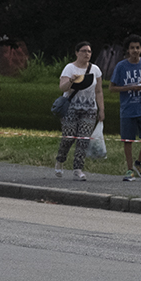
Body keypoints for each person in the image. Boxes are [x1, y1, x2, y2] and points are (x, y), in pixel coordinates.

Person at [109, 34, 141, 181]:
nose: (135, 50)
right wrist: (130, 87)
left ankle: (139, 162)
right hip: (128, 109)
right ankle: (129, 169)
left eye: (137, 48)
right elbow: (112, 88)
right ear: (128, 50)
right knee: (128, 140)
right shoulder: (121, 66)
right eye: (132, 48)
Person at [55, 42, 104, 181]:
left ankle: (78, 169)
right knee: (68, 137)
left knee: (83, 139)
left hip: (89, 109)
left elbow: (99, 91)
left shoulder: (95, 69)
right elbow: (62, 88)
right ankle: (60, 160)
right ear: (77, 53)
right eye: (84, 51)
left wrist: (102, 109)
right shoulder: (69, 68)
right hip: (71, 107)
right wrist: (71, 80)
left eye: (89, 51)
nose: (87, 54)